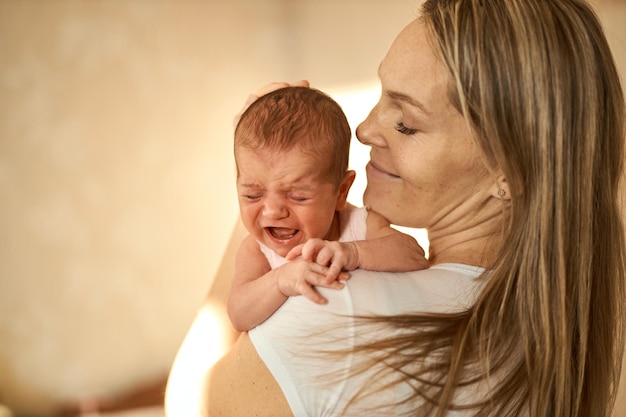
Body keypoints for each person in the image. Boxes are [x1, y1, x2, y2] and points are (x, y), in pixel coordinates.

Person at [165, 0, 625, 416]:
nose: (364, 129)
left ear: (509, 172)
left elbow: (191, 405)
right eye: (382, 96)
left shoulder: (333, 303)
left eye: (405, 124)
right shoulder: (554, 338)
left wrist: (263, 191)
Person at [228, 86, 429, 332]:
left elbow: (414, 256)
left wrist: (354, 253)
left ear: (341, 192)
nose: (272, 211)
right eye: (252, 194)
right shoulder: (256, 250)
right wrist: (281, 280)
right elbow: (239, 315)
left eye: (297, 196)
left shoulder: (359, 224)